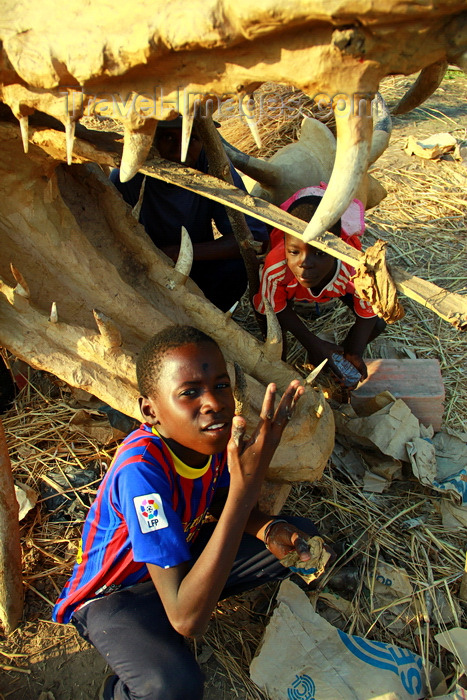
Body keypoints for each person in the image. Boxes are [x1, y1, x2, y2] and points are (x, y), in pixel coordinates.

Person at [52, 325, 328, 700]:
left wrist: (268, 529)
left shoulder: (209, 441)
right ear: (151, 410)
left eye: (220, 385)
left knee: (300, 538)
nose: (213, 403)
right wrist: (244, 493)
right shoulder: (141, 472)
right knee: (174, 688)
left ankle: (176, 609)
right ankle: (118, 691)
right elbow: (188, 623)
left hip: (178, 559)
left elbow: (218, 503)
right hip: (117, 597)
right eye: (189, 393)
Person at [110, 118, 268, 312]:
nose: (180, 151)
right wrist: (155, 258)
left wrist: (177, 254)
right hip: (146, 272)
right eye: (168, 138)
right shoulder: (126, 176)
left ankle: (211, 320)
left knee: (236, 267)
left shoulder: (214, 167)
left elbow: (254, 237)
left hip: (199, 267)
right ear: (152, 140)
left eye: (191, 139)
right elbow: (112, 240)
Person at [253, 185, 386, 385]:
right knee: (272, 326)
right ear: (286, 245)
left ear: (336, 249)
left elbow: (368, 311)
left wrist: (355, 352)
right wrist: (312, 344)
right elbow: (273, 306)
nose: (305, 263)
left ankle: (339, 355)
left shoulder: (352, 269)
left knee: (377, 323)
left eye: (320, 253)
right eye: (294, 252)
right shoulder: (277, 267)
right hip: (288, 288)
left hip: (336, 279)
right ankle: (292, 361)